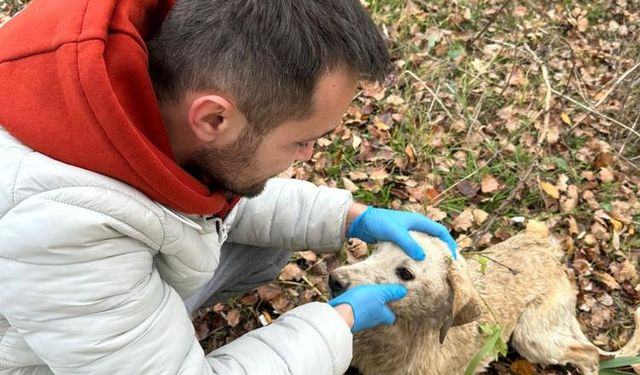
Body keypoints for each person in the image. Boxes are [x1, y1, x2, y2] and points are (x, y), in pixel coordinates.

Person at [0, 0, 457, 374]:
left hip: (65, 299)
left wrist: (351, 217)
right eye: (301, 140)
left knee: (271, 243)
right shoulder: (60, 225)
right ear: (214, 118)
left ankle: (137, 330)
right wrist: (340, 322)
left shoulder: (141, 79)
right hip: (27, 356)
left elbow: (211, 197)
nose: (308, 157)